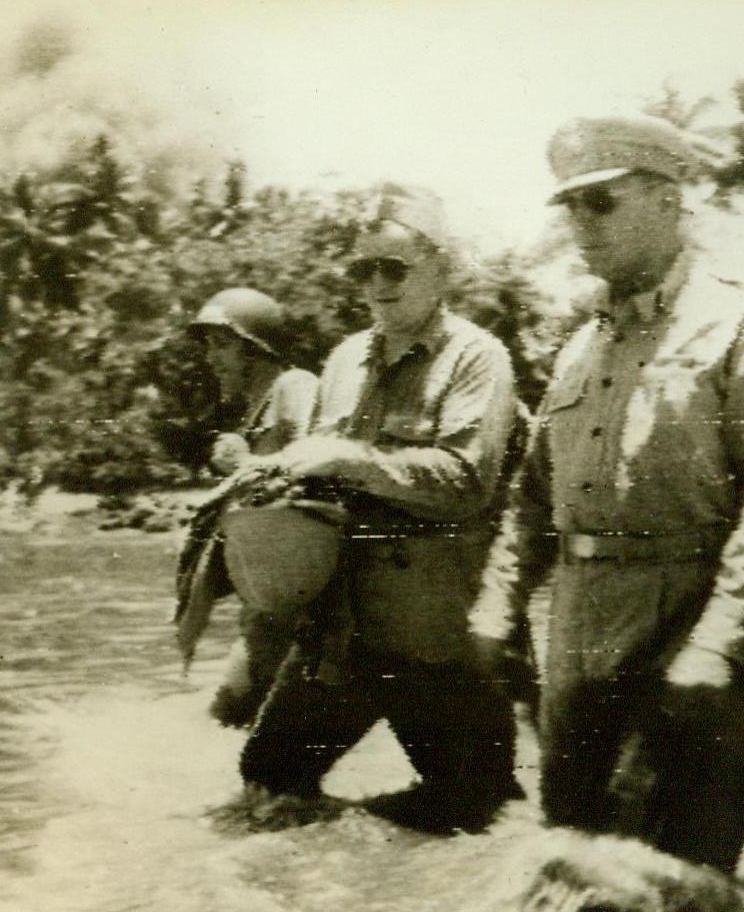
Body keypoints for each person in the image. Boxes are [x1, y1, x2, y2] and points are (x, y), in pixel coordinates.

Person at [501, 113, 744, 873]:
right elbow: (533, 498)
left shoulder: (742, 320)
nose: (580, 223)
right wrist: (499, 601)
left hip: (692, 629)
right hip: (579, 634)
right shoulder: (580, 344)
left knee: (678, 878)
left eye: (600, 202)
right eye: (570, 206)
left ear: (669, 201)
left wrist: (716, 641)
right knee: (574, 865)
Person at [238, 183, 524, 834]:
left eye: (391, 267)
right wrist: (273, 480)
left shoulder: (477, 358)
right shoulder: (343, 359)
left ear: (440, 269)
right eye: (361, 268)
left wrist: (348, 460)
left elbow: (465, 481)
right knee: (268, 780)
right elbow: (318, 476)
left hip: (430, 635)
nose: (374, 283)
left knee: (476, 815)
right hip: (340, 631)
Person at [186, 287, 318, 727]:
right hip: (272, 597)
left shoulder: (293, 386)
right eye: (207, 345)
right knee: (234, 722)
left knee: (229, 720)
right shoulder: (256, 408)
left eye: (222, 344)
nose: (211, 357)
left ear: (256, 349)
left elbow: (319, 459)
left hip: (299, 601)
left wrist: (248, 463)